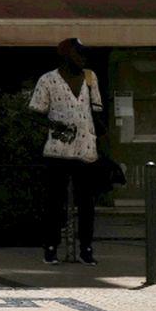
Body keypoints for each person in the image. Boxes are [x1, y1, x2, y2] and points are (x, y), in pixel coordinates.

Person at [28, 38, 103, 265]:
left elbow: (97, 109)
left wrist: (98, 132)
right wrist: (55, 125)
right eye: (78, 54)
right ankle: (50, 247)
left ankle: (86, 248)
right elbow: (34, 112)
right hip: (57, 150)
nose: (83, 58)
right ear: (67, 55)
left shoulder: (90, 78)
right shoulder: (48, 80)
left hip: (86, 149)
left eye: (84, 54)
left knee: (87, 204)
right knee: (54, 202)